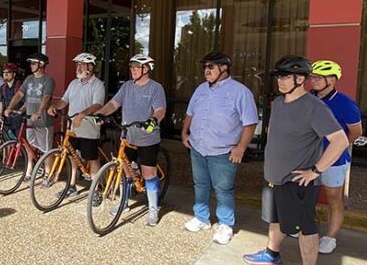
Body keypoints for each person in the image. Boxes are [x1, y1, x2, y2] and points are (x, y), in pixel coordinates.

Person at [242, 56, 348, 265]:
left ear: (300, 79)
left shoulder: (314, 107)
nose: (280, 80)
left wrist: (316, 170)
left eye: (285, 76)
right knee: (275, 220)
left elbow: (340, 141)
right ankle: (272, 254)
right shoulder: (278, 103)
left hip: (298, 182)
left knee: (306, 230)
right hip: (275, 178)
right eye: (278, 76)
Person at [181, 52, 259, 244]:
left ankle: (225, 224)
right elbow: (190, 113)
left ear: (224, 68)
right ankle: (201, 218)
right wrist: (184, 133)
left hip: (223, 151)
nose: (206, 71)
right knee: (200, 184)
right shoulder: (200, 89)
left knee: (223, 188)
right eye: (205, 67)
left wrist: (241, 148)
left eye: (211, 67)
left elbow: (250, 123)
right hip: (198, 147)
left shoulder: (241, 92)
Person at [95, 54, 166, 226]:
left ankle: (153, 209)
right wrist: (102, 113)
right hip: (128, 136)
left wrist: (153, 120)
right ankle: (123, 203)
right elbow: (113, 104)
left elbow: (160, 110)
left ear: (146, 69)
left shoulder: (155, 88)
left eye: (136, 67)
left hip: (147, 137)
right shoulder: (127, 86)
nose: (133, 70)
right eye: (132, 67)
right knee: (125, 170)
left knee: (149, 174)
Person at [309, 59, 363, 254]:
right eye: (312, 77)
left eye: (317, 77)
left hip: (334, 160)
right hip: (309, 157)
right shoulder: (308, 98)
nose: (313, 81)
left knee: (333, 197)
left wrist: (337, 148)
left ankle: (330, 237)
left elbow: (355, 132)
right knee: (306, 196)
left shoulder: (345, 104)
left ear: (331, 80)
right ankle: (304, 229)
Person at [49, 53, 106, 184]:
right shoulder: (74, 83)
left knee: (91, 157)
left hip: (89, 127)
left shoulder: (97, 85)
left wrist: (82, 114)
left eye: (82, 65)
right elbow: (64, 100)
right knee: (72, 156)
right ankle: (72, 185)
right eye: (77, 65)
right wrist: (55, 107)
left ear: (90, 67)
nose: (78, 68)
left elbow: (97, 104)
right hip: (73, 126)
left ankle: (96, 188)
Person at [5, 53, 55, 178]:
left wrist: (38, 112)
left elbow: (46, 98)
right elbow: (19, 94)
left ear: (41, 64)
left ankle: (48, 174)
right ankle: (30, 170)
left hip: (43, 121)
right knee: (29, 147)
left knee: (45, 150)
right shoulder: (29, 79)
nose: (31, 66)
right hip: (29, 120)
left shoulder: (48, 80)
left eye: (33, 63)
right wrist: (10, 107)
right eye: (31, 63)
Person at [0, 62, 23, 137]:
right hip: (7, 117)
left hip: (18, 118)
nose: (5, 75)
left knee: (19, 139)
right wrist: (0, 114)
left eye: (8, 72)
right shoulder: (3, 87)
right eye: (4, 73)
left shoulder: (19, 86)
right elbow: (1, 101)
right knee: (7, 139)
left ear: (14, 74)